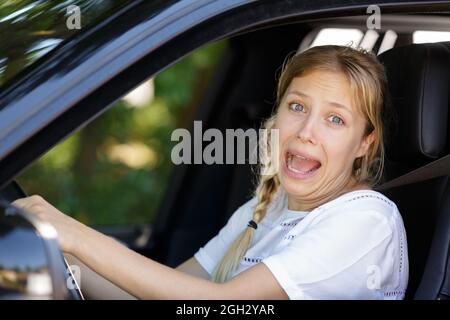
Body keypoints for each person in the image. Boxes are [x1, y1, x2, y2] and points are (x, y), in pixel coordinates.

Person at [12, 45, 409, 300]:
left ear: (365, 142)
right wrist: (55, 257)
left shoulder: (365, 220)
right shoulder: (267, 207)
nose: (306, 132)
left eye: (335, 120)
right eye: (298, 107)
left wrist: (74, 234)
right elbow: (159, 291)